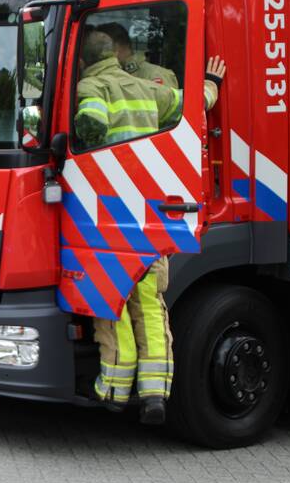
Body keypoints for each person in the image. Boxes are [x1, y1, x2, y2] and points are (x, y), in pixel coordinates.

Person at [75, 29, 225, 424]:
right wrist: (212, 83)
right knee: (151, 307)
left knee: (113, 305)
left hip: (107, 214)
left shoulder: (92, 85)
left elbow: (89, 126)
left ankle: (114, 390)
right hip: (150, 214)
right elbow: (194, 105)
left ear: (84, 59)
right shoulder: (148, 87)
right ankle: (156, 395)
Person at [97, 22, 178, 88]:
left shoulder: (155, 74)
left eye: (103, 47)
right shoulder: (111, 75)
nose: (100, 54)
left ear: (119, 45)